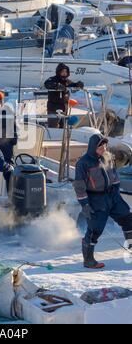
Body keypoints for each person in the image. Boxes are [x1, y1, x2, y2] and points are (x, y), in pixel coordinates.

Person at [74, 134, 132, 269]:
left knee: (128, 219)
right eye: (100, 146)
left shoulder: (108, 157)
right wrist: (85, 205)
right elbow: (79, 186)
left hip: (112, 197)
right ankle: (88, 260)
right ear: (93, 147)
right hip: (96, 199)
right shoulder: (83, 163)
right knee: (95, 229)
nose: (103, 148)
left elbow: (114, 176)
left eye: (104, 146)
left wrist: (116, 192)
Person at [44, 63, 84, 128]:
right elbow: (47, 84)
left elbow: (73, 85)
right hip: (53, 108)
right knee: (53, 126)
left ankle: (62, 136)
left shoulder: (67, 81)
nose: (64, 73)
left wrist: (78, 84)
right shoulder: (53, 79)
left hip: (64, 108)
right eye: (62, 71)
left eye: (66, 71)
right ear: (58, 72)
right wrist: (57, 86)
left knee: (63, 127)